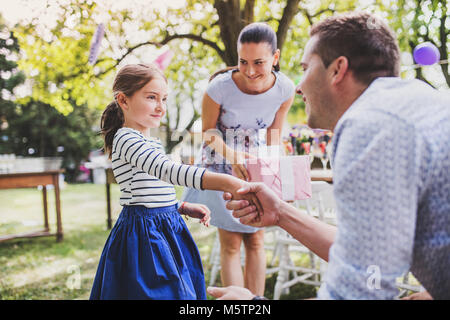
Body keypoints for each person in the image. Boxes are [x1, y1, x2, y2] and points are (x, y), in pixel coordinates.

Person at [208, 12, 450, 300]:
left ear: (337, 70)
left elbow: (361, 292)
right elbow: (366, 256)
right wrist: (281, 214)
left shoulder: (369, 125)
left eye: (305, 68)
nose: (298, 86)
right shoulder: (415, 100)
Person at [90, 63, 261, 300]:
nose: (160, 107)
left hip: (165, 228)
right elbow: (167, 171)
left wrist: (180, 207)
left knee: (181, 291)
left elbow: (151, 188)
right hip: (144, 236)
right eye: (151, 97)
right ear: (123, 100)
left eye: (164, 99)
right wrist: (227, 182)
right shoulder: (126, 138)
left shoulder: (151, 142)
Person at [182, 22, 295, 296]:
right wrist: (232, 157)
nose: (250, 71)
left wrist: (274, 173)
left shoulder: (285, 89)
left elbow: (274, 134)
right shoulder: (218, 88)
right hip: (221, 162)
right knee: (231, 243)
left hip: (255, 162)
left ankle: (255, 303)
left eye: (259, 62)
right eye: (243, 62)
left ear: (275, 58)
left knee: (256, 241)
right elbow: (208, 131)